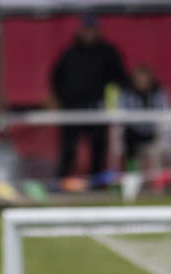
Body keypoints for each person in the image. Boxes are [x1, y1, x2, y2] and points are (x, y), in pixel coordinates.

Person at [49, 14, 129, 180]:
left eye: (92, 30)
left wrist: (112, 100)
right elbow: (56, 77)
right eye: (86, 30)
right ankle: (61, 182)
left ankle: (97, 183)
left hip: (97, 107)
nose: (89, 34)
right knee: (68, 148)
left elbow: (121, 79)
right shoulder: (70, 53)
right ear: (80, 31)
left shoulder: (108, 53)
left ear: (98, 31)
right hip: (72, 107)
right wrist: (59, 97)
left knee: (99, 147)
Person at [118, 65, 171, 172]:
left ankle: (157, 180)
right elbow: (121, 111)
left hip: (153, 131)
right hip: (133, 131)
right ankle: (132, 176)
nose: (142, 83)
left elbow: (165, 110)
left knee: (163, 143)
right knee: (129, 139)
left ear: (150, 80)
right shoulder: (126, 92)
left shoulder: (159, 92)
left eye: (145, 80)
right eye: (139, 80)